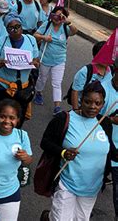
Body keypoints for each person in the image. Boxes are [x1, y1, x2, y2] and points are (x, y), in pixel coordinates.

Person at [40, 81, 114, 220]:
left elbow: (110, 151)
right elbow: (45, 142)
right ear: (81, 100)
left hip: (92, 188)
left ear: (103, 104)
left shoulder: (104, 123)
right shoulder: (64, 119)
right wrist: (63, 152)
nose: (92, 107)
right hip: (67, 184)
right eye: (88, 102)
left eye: (97, 103)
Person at [0, 13, 40, 128]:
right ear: (7, 29)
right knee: (0, 121)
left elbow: (37, 61)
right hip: (1, 88)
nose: (15, 30)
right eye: (11, 28)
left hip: (21, 89)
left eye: (18, 26)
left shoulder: (31, 40)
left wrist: (34, 63)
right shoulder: (1, 41)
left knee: (17, 122)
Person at [33, 7, 78, 114]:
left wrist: (69, 23)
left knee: (57, 83)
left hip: (59, 60)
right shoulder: (47, 25)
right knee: (42, 79)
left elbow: (75, 31)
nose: (57, 18)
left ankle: (57, 107)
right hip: (45, 59)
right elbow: (35, 35)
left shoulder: (65, 28)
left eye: (60, 16)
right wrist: (44, 38)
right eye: (55, 15)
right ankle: (38, 92)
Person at [70, 41, 112, 110]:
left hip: (99, 110)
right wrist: (76, 110)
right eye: (105, 56)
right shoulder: (85, 71)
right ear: (97, 56)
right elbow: (75, 91)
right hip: (84, 109)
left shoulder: (111, 71)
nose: (108, 59)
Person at [100, 69, 118, 219]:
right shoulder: (102, 89)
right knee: (91, 187)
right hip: (103, 149)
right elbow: (90, 117)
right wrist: (111, 120)